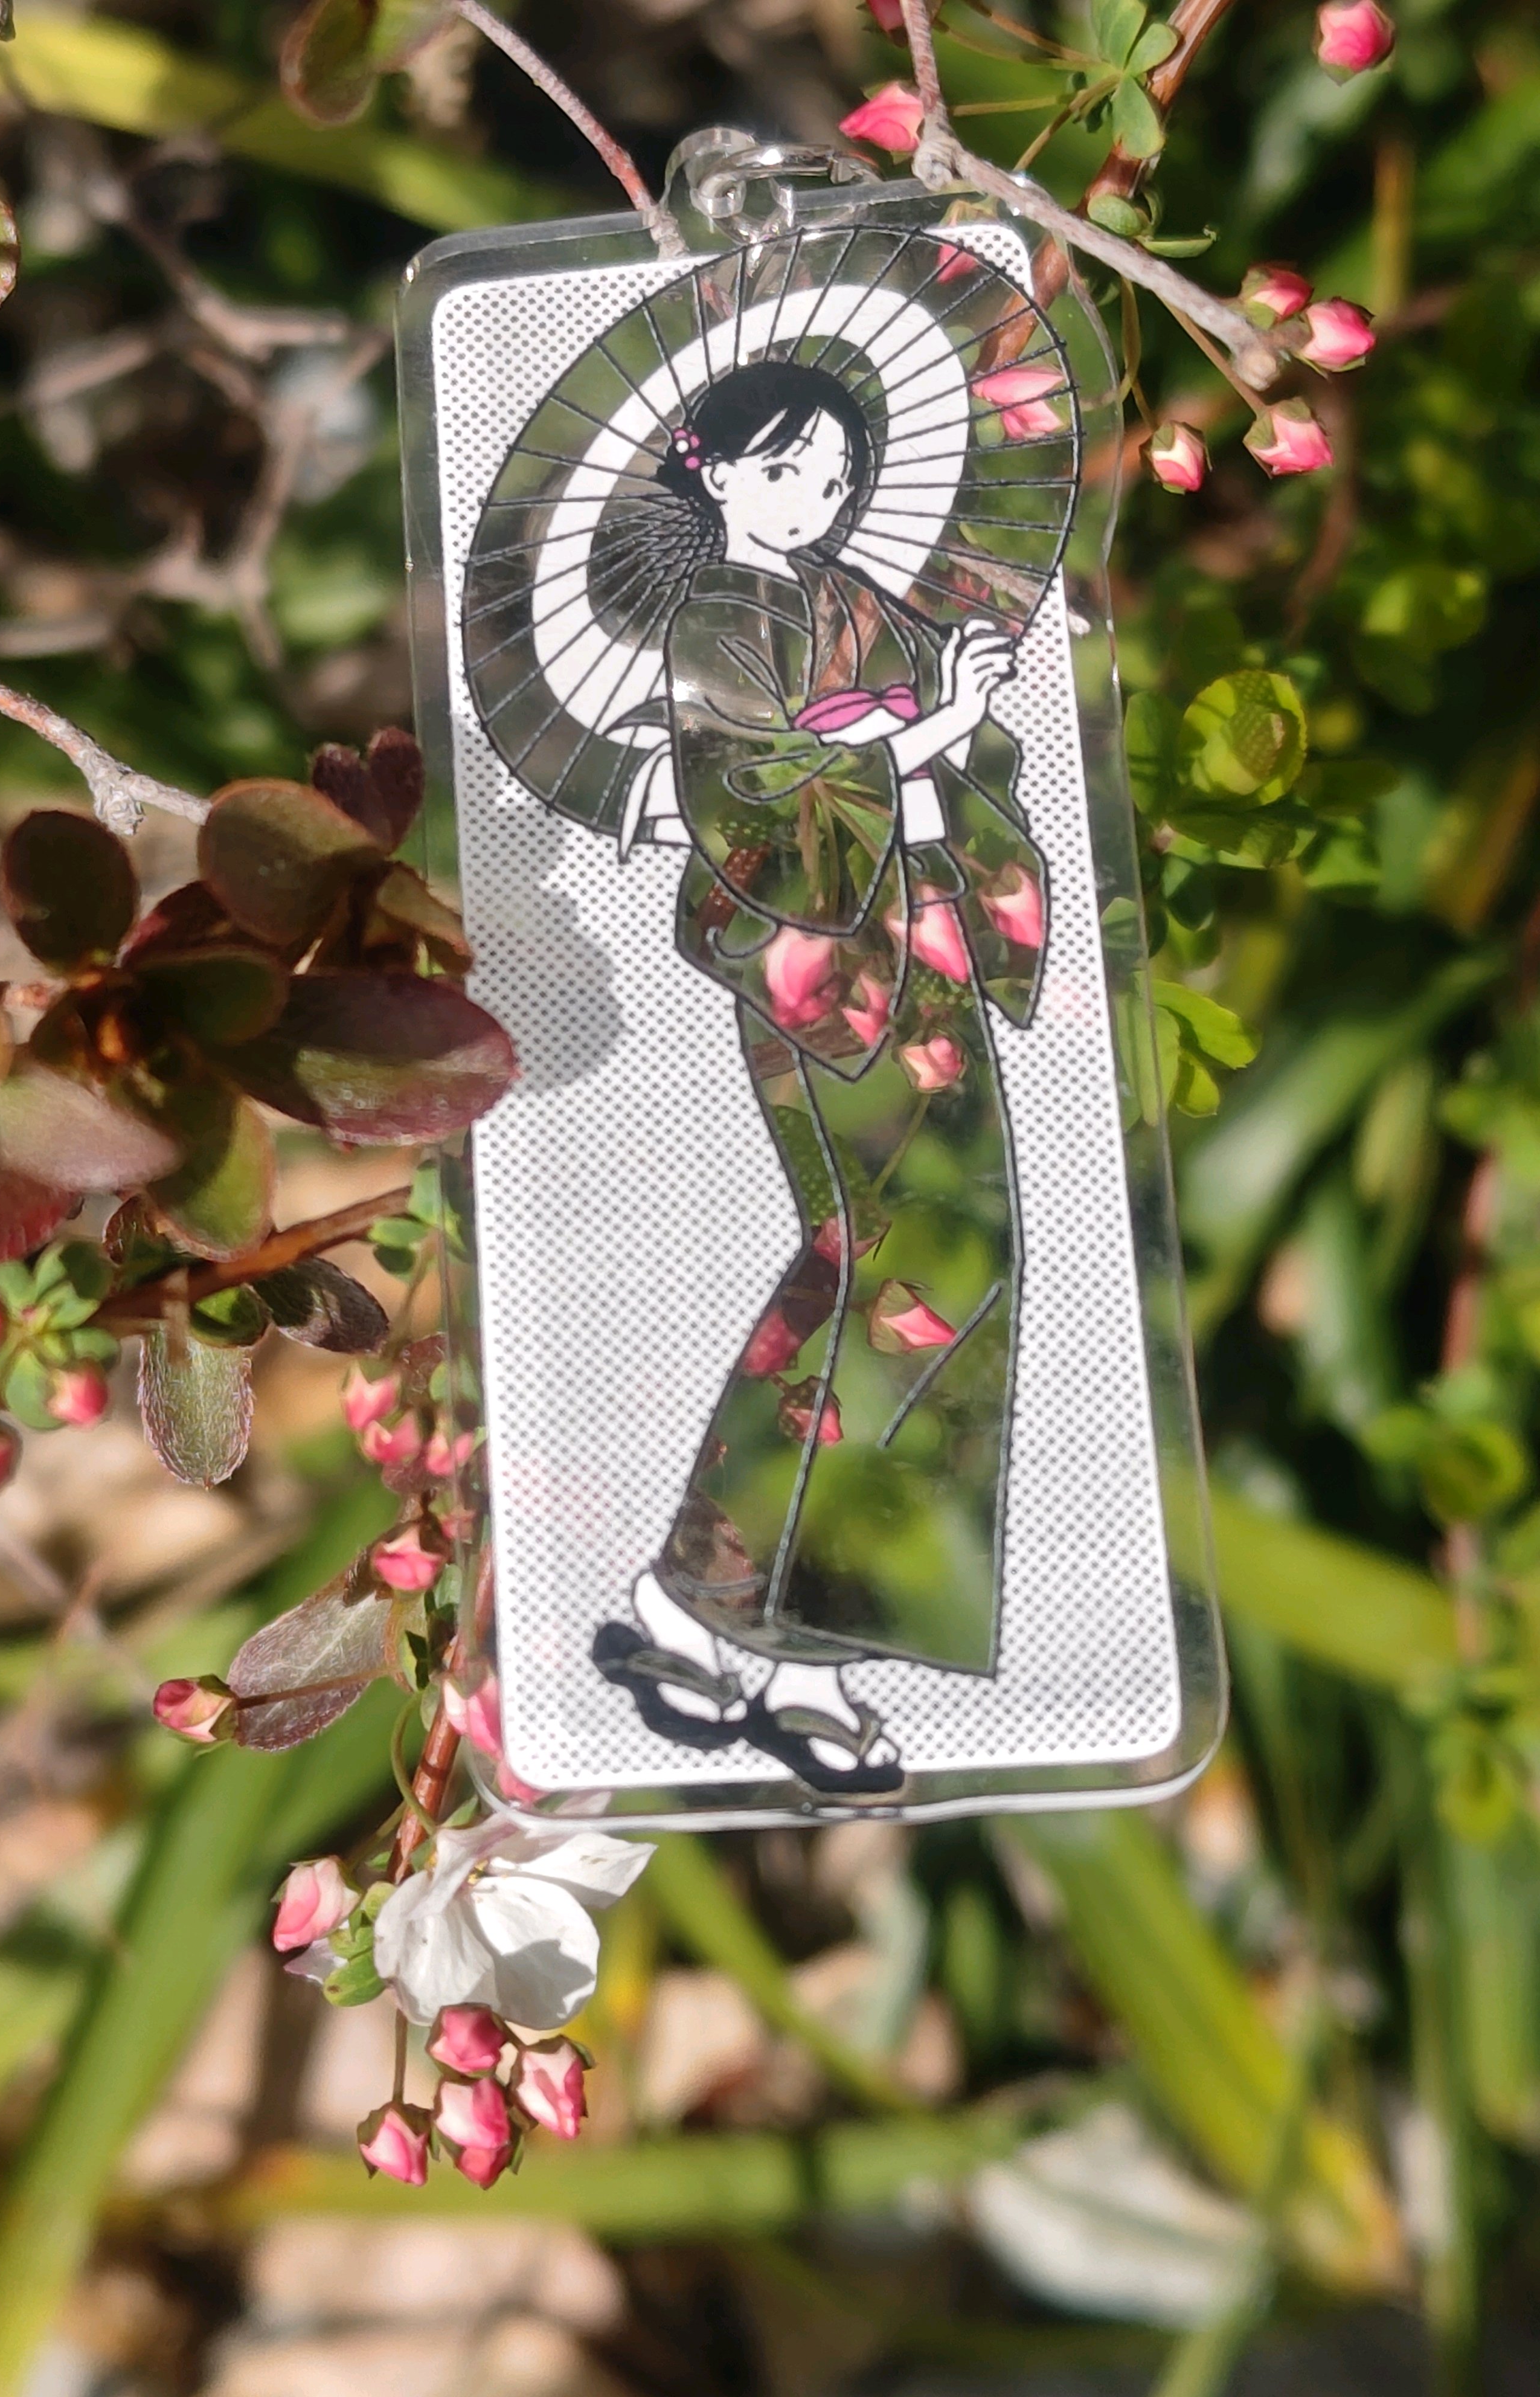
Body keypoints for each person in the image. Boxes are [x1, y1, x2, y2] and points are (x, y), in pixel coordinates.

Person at [586, 358, 1050, 1797]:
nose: (820, 498)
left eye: (839, 476)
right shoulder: (717, 622)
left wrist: (967, 705)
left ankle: (762, 1620)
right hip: (827, 957)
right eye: (788, 468)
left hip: (918, 931)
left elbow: (925, 763)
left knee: (954, 1259)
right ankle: (740, 1612)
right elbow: (762, 810)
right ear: (714, 469)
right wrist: (928, 725)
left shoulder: (856, 601)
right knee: (885, 1263)